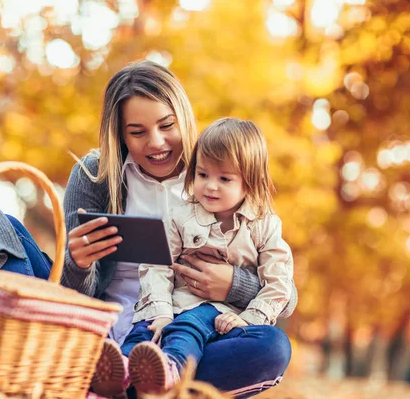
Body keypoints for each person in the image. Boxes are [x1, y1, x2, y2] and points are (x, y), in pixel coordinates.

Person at [0, 60, 295, 398]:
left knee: (272, 348)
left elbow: (285, 294)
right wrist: (77, 263)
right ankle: (107, 374)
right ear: (119, 134)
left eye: (167, 125)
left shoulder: (217, 170)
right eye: (137, 132)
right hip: (96, 329)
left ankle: (137, 383)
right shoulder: (95, 176)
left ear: (184, 117)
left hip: (187, 331)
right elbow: (69, 293)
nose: (156, 142)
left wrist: (233, 285)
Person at [116, 117, 295, 395]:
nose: (210, 186)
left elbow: (280, 284)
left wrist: (248, 319)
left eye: (224, 179)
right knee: (143, 331)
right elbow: (156, 266)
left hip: (222, 317)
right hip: (173, 306)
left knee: (193, 327)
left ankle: (171, 370)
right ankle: (120, 373)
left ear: (249, 182)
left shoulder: (265, 225)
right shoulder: (179, 216)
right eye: (202, 175)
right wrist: (161, 313)